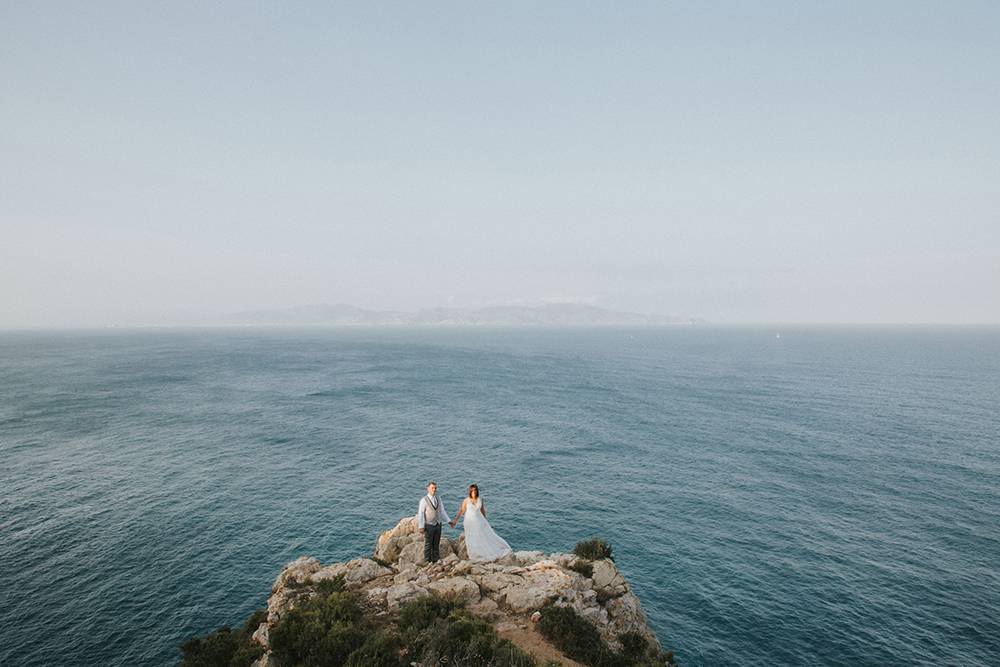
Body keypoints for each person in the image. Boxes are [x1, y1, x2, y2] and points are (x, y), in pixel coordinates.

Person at [450, 484, 512, 561]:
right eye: (472, 490)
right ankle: (474, 554)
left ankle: (481, 552)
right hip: (469, 522)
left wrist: (486, 521)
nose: (474, 492)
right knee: (471, 538)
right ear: (470, 491)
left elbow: (483, 511)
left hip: (479, 521)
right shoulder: (466, 500)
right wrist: (455, 521)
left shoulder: (480, 500)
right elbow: (461, 511)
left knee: (481, 536)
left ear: (477, 491)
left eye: (475, 490)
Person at [416, 481, 450, 563]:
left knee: (436, 543)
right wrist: (421, 526)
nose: (434, 490)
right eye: (432, 488)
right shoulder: (424, 500)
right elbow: (421, 513)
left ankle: (436, 559)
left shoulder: (438, 498)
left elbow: (442, 511)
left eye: (435, 488)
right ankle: (427, 560)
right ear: (428, 489)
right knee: (428, 544)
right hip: (429, 525)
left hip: (438, 524)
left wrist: (448, 521)